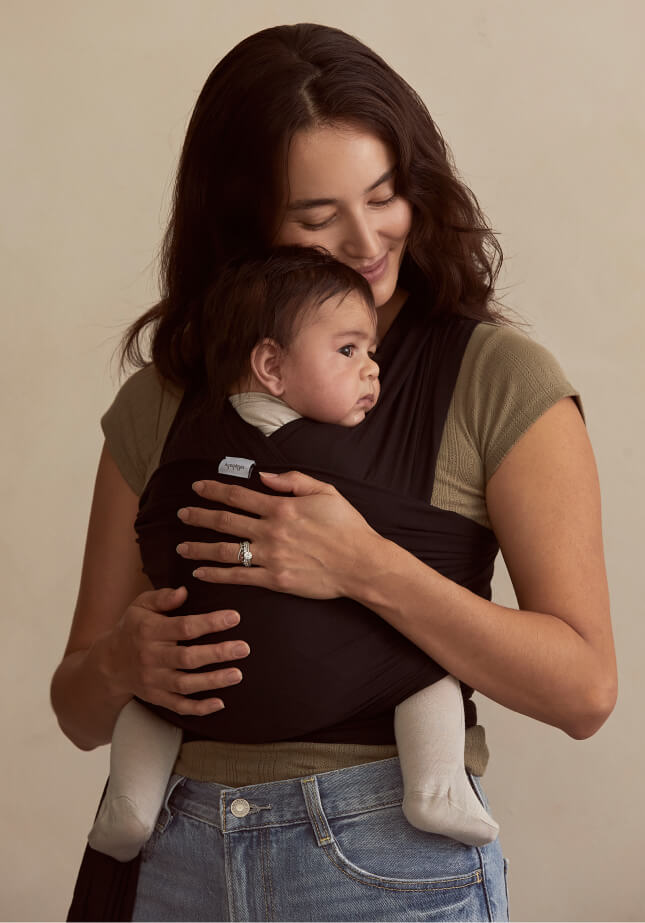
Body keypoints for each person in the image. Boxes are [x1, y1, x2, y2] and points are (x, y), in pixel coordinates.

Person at [51, 23, 617, 923]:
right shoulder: (166, 396)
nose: (364, 240)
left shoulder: (495, 379)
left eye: (384, 195)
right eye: (317, 218)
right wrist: (124, 658)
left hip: (380, 859)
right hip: (171, 853)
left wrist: (364, 564)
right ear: (246, 225)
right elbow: (78, 708)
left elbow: (585, 690)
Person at [86, 247, 499, 864]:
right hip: (313, 773)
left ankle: (131, 800)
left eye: (373, 352)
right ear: (271, 367)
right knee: (429, 664)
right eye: (348, 351)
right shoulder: (347, 464)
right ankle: (436, 785)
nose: (372, 372)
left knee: (154, 699)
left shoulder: (192, 440)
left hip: (202, 696)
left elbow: (155, 529)